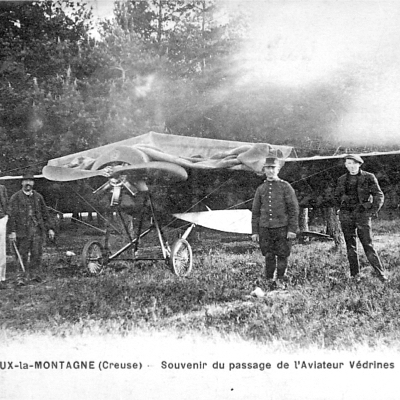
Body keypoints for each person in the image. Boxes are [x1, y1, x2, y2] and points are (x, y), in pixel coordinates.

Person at [335, 154, 387, 282]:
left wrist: (372, 211)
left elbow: (378, 194)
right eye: (348, 163)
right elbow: (336, 196)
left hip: (362, 214)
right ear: (345, 165)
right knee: (350, 246)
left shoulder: (368, 177)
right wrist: (339, 209)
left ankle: (381, 275)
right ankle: (355, 275)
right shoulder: (342, 179)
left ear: (359, 164)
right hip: (346, 214)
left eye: (354, 163)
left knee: (368, 244)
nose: (351, 166)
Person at [251, 153, 299, 289]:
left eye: (273, 168)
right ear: (264, 170)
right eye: (268, 168)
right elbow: (255, 212)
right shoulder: (261, 189)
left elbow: (293, 210)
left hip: (282, 227)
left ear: (278, 170)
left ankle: (280, 279)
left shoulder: (285, 187)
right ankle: (268, 280)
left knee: (283, 254)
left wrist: (292, 230)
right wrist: (255, 231)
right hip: (265, 228)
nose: (270, 171)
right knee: (269, 254)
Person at [8, 171, 55, 281]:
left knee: (37, 254)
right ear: (22, 183)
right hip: (22, 232)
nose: (28, 183)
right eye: (25, 181)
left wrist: (50, 228)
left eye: (30, 181)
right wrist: (12, 231)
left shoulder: (38, 197)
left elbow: (45, 214)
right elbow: (11, 216)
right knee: (22, 254)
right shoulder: (15, 198)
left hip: (37, 231)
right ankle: (21, 277)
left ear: (33, 183)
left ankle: (35, 275)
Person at [0, 184, 8, 288]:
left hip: (1, 220)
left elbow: (6, 204)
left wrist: (6, 216)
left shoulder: (2, 188)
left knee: (1, 250)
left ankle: (1, 278)